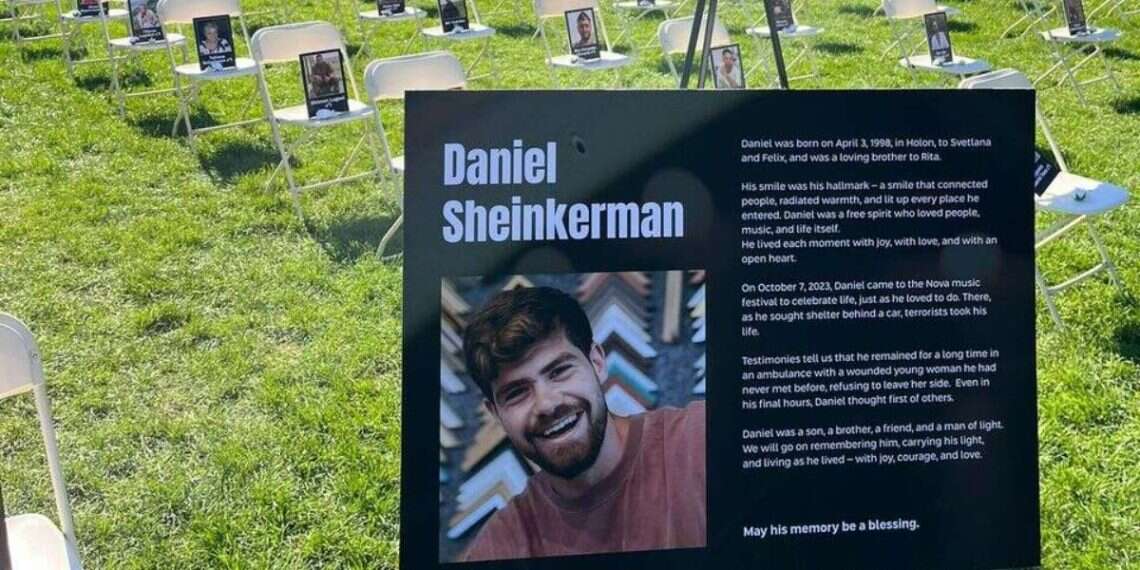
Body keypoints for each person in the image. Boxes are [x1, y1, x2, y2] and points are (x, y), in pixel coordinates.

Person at [459, 286, 706, 562]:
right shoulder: (499, 547)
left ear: (597, 362)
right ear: (495, 413)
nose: (547, 404)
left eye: (559, 371)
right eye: (517, 393)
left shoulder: (700, 443)